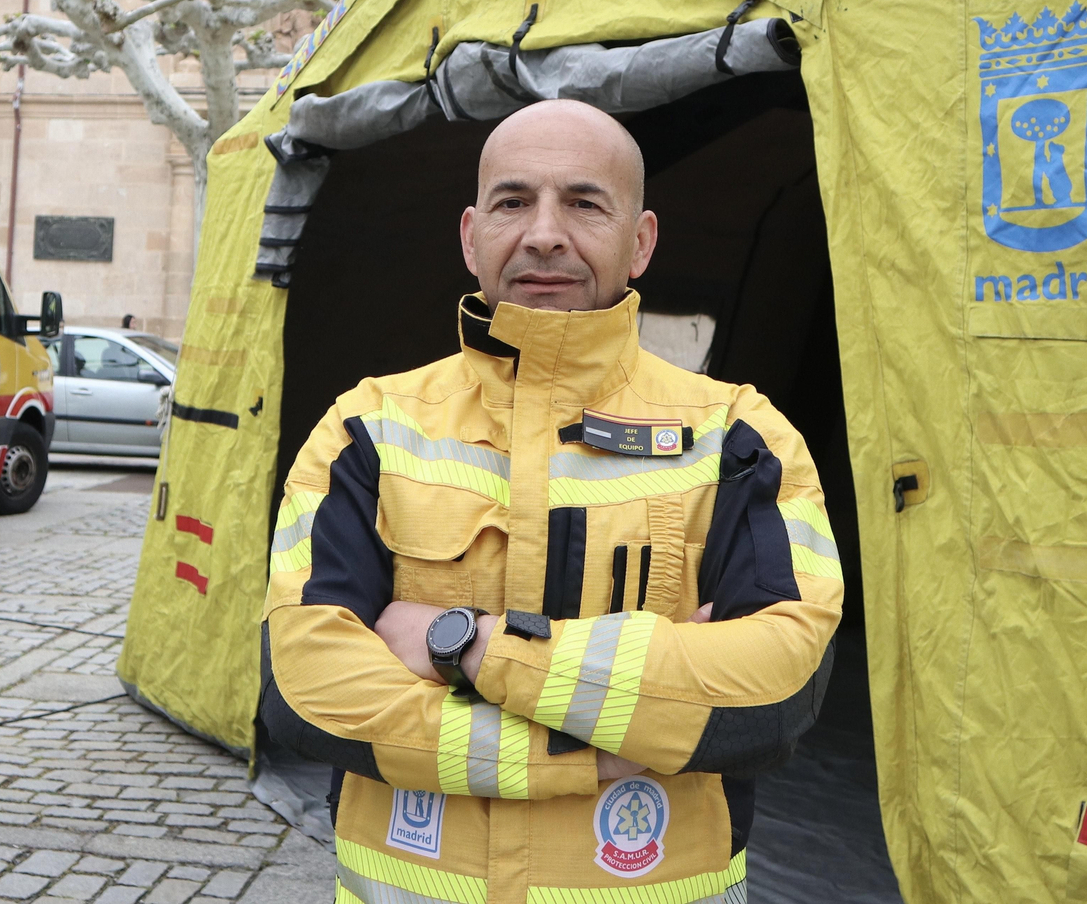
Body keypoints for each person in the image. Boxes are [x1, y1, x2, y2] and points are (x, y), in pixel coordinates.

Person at [261, 99, 843, 904]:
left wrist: (466, 644)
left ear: (640, 242)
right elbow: (304, 688)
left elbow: (776, 691)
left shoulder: (739, 437)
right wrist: (593, 748)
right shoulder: (366, 428)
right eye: (513, 201)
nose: (543, 233)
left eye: (583, 203)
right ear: (471, 237)